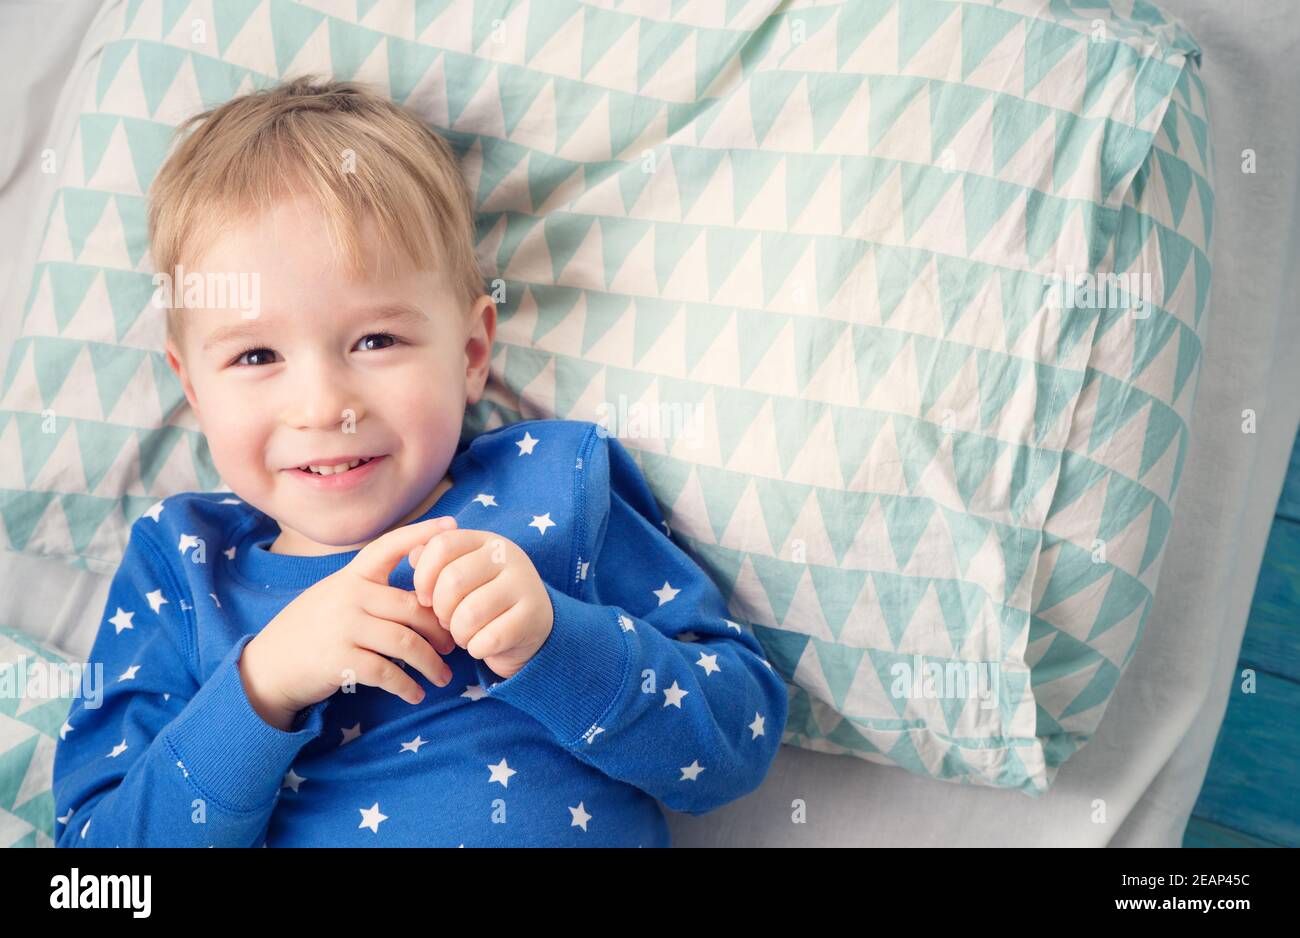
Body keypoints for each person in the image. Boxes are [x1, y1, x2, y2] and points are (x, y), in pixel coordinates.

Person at [51, 76, 788, 846]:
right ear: (193, 389)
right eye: (256, 354)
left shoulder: (553, 485)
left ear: (471, 353)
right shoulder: (185, 566)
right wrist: (260, 689)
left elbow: (737, 741)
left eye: (376, 341)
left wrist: (560, 645)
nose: (323, 406)